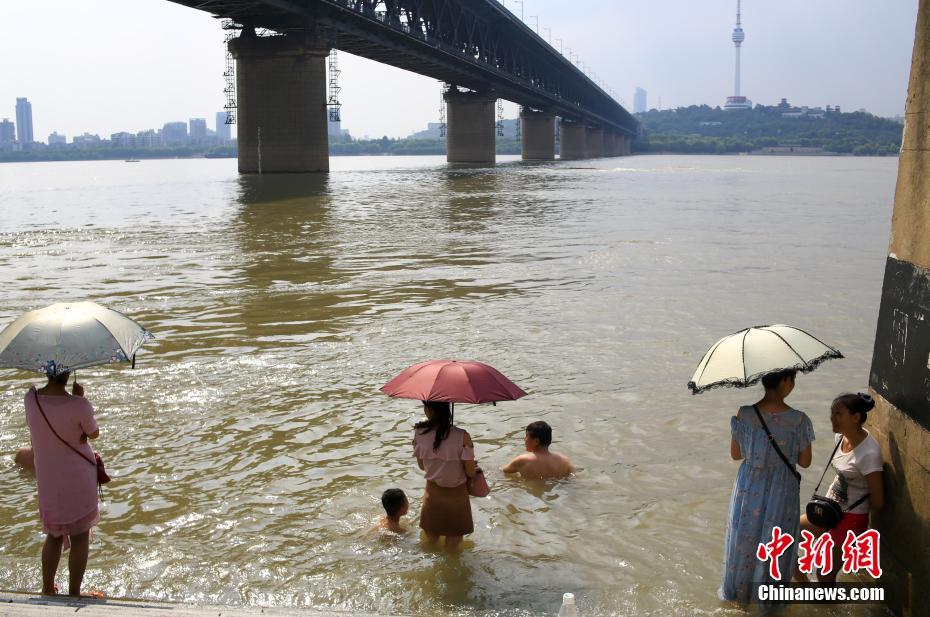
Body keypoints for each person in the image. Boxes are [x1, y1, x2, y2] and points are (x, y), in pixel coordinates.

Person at [720, 369, 814, 604]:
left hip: (748, 486)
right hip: (782, 490)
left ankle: (740, 601)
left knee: (745, 543)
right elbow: (805, 462)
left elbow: (736, 454)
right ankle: (769, 603)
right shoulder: (799, 420)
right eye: (793, 379)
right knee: (776, 544)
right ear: (785, 381)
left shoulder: (745, 414)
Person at [25, 371, 102, 597]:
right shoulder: (79, 405)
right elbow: (93, 433)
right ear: (68, 372)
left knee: (54, 535)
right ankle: (74, 592)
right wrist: (79, 398)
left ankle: (48, 588)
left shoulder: (31, 399)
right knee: (80, 536)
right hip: (78, 477)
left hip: (48, 480)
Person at [796, 393, 884, 583]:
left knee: (824, 574)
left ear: (855, 417)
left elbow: (878, 501)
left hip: (851, 517)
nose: (832, 418)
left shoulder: (869, 453)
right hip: (828, 509)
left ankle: (828, 602)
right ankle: (807, 589)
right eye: (832, 413)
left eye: (838, 414)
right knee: (788, 536)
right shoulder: (840, 437)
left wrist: (849, 533)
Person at [412, 401, 477, 549]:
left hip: (432, 495)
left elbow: (422, 467)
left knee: (430, 544)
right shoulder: (463, 436)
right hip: (457, 498)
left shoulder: (419, 433)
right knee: (453, 548)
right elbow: (470, 472)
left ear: (429, 409)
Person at [502, 421, 575, 480]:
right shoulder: (565, 461)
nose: (524, 439)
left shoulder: (523, 460)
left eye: (527, 436)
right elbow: (573, 478)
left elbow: (502, 472)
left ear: (536, 441)